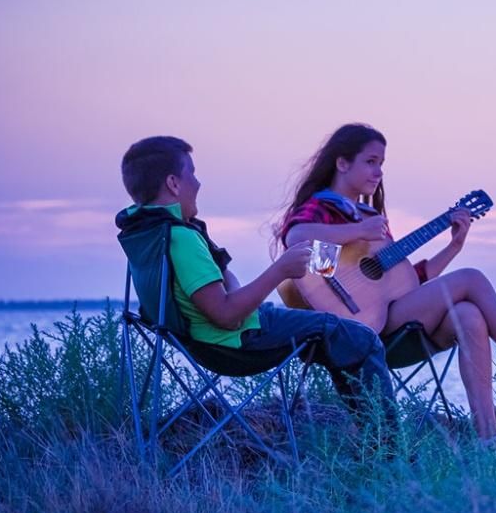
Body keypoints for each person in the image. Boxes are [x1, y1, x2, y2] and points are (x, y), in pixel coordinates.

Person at [278, 124, 496, 443]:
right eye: (371, 161)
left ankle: (488, 436)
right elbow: (298, 240)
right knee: (472, 278)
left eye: (382, 164)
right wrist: (357, 232)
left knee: (468, 315)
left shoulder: (367, 215)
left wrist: (454, 247)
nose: (378, 172)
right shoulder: (322, 207)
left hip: (388, 320)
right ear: (342, 163)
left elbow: (404, 284)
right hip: (350, 329)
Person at [117, 135, 396, 427]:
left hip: (214, 337)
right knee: (361, 338)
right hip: (235, 343)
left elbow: (226, 287)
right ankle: (389, 448)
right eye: (193, 174)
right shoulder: (182, 239)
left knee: (340, 336)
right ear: (174, 184)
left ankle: (368, 437)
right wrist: (280, 270)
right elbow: (226, 315)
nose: (198, 184)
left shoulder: (147, 232)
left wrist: (241, 299)